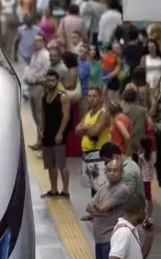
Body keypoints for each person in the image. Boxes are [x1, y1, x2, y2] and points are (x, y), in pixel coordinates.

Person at [84, 158, 131, 259]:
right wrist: (101, 211)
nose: (111, 173)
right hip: (99, 236)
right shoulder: (104, 188)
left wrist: (99, 209)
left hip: (110, 237)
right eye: (109, 170)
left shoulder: (122, 190)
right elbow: (89, 206)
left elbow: (101, 207)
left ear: (121, 172)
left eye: (115, 170)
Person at [38, 70, 72, 198]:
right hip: (47, 133)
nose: (50, 83)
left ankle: (65, 190)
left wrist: (60, 133)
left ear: (57, 81)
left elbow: (66, 116)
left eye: (52, 80)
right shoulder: (45, 96)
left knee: (61, 163)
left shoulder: (62, 96)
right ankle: (53, 190)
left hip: (58, 133)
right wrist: (40, 129)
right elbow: (42, 114)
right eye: (48, 80)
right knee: (50, 164)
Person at [75, 86, 110, 196]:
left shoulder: (104, 113)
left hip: (99, 156)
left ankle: (103, 211)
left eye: (94, 96)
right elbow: (76, 131)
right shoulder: (88, 113)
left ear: (100, 98)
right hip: (87, 156)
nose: (91, 98)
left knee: (101, 187)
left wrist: (85, 128)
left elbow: (95, 132)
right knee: (93, 187)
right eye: (89, 96)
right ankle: (96, 210)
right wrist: (87, 128)